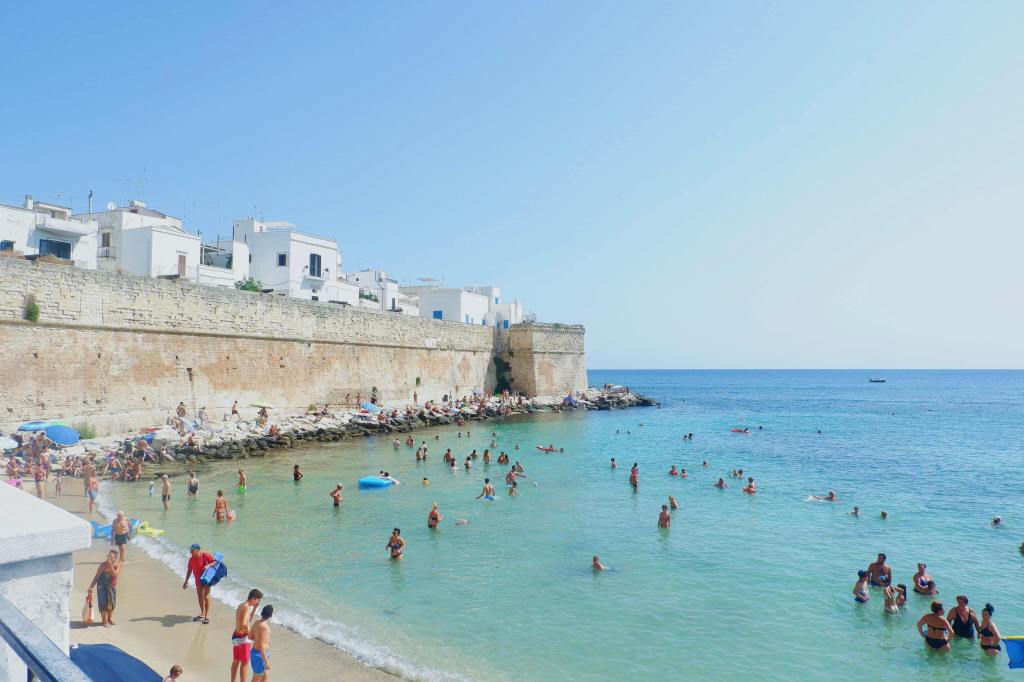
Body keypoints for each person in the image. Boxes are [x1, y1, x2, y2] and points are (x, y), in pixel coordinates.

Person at [231, 589, 263, 682]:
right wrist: (251, 634)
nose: (258, 602)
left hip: (236, 636)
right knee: (244, 664)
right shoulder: (247, 608)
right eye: (258, 600)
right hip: (243, 638)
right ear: (253, 598)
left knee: (236, 661)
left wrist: (255, 609)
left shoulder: (242, 605)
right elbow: (245, 624)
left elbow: (247, 620)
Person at [183, 543, 215, 624]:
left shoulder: (205, 555)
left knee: (206, 596)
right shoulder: (191, 560)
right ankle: (202, 613)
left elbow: (216, 562)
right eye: (190, 550)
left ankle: (207, 616)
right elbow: (189, 570)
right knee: (200, 596)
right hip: (198, 580)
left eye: (192, 550)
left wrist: (209, 565)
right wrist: (186, 582)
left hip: (207, 578)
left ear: (198, 550)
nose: (190, 552)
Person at [88, 549, 121, 626]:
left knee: (112, 604)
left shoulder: (117, 564)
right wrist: (91, 587)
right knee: (103, 603)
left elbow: (115, 574)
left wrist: (110, 565)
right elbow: (97, 576)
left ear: (115, 558)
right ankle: (104, 621)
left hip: (111, 586)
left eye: (110, 556)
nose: (108, 557)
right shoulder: (103, 565)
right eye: (108, 555)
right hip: (101, 585)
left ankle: (109, 619)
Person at [249, 605, 273, 681]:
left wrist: (260, 640)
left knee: (264, 677)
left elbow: (250, 636)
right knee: (256, 679)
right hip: (261, 655)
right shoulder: (265, 627)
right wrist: (266, 661)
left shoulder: (256, 623)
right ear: (271, 615)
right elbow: (262, 646)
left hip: (254, 652)